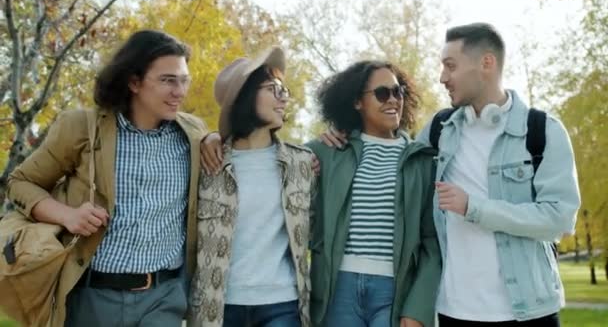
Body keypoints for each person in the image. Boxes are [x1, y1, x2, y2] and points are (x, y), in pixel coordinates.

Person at [321, 23, 581, 327]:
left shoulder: (542, 131)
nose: (443, 77)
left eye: (450, 66)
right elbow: (389, 155)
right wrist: (340, 136)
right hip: (454, 312)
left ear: (486, 63)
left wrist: (474, 207)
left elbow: (559, 220)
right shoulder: (438, 130)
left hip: (528, 311)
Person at [200, 60, 441, 327]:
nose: (393, 100)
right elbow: (254, 148)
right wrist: (211, 137)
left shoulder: (422, 161)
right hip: (338, 288)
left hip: (394, 290)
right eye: (383, 93)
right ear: (356, 102)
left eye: (399, 92)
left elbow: (432, 241)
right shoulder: (325, 151)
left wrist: (419, 307)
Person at [7, 30, 208, 327]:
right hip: (93, 298)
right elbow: (20, 183)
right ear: (134, 82)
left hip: (163, 299)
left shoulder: (194, 135)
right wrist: (68, 216)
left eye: (184, 80)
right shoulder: (82, 128)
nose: (180, 91)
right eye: (168, 80)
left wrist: (215, 138)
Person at [187, 47, 315, 327]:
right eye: (274, 89)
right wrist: (207, 136)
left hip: (282, 305)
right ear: (245, 96)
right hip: (217, 307)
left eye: (284, 90)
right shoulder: (207, 164)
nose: (284, 98)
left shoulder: (301, 163)